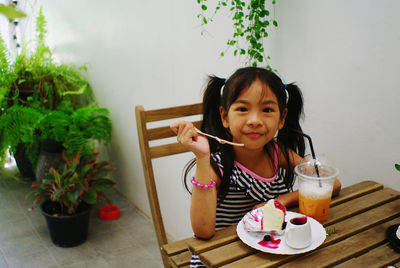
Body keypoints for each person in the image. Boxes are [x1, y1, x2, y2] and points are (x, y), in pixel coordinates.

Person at [170, 67, 341, 267]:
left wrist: (280, 201)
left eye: (267, 110)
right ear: (225, 117)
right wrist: (202, 157)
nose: (255, 121)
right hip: (225, 258)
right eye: (242, 109)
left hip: (272, 254)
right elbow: (202, 231)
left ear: (282, 118)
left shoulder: (277, 152)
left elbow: (332, 184)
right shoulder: (217, 166)